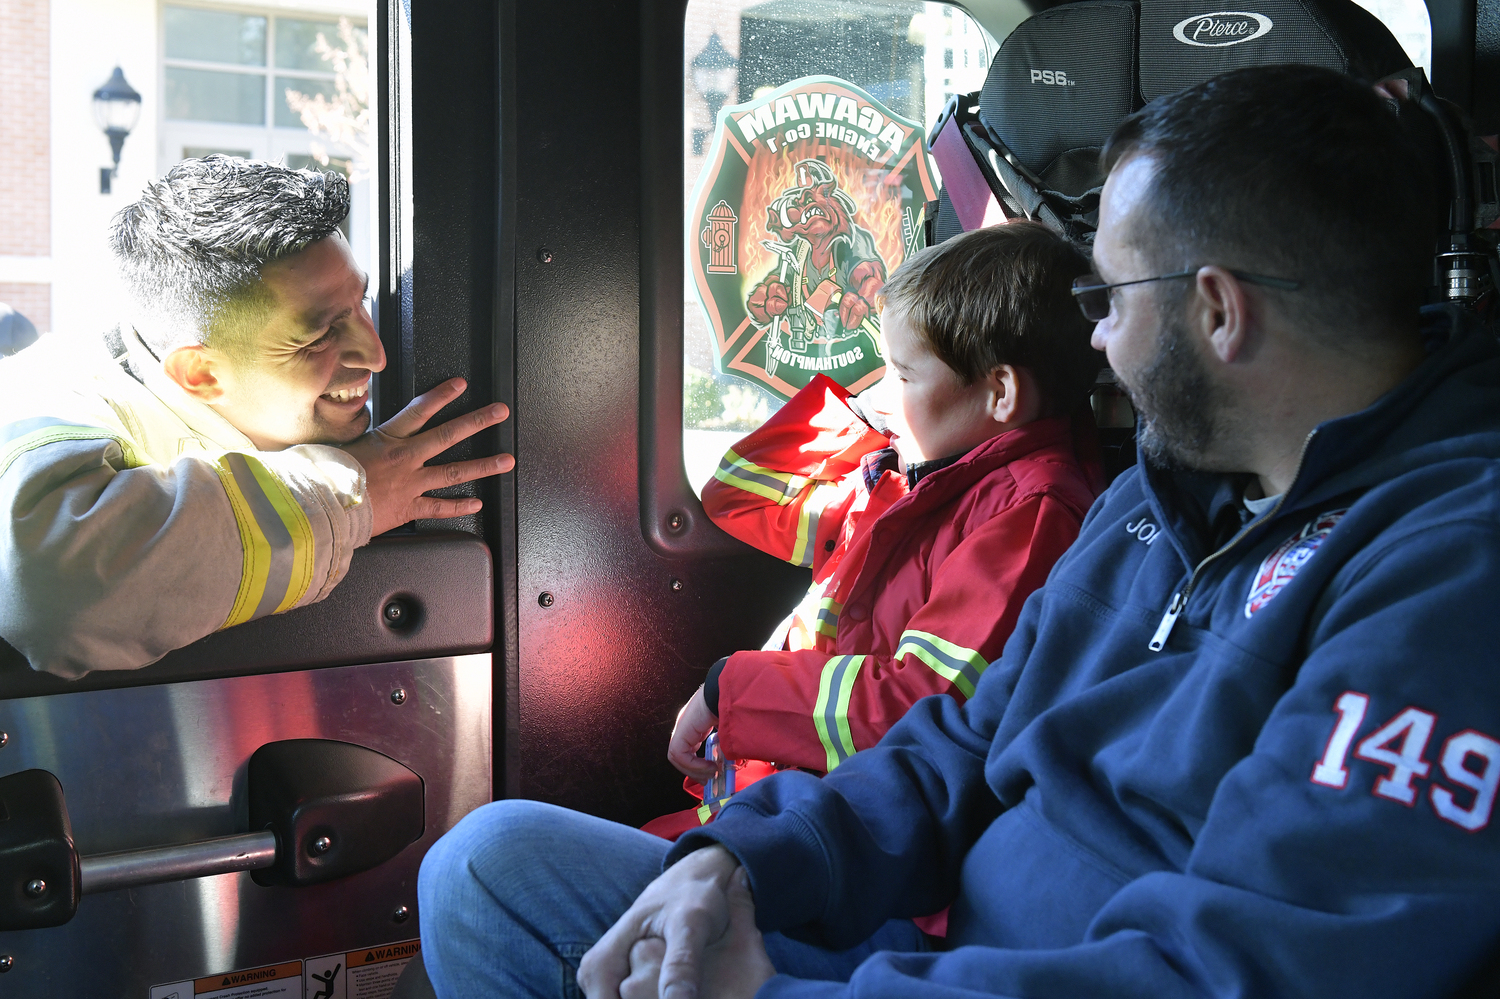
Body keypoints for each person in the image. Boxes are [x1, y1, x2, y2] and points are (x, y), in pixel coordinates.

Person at [418, 65, 1500, 998]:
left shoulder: (1450, 572)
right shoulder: (1155, 500)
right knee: (491, 868)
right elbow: (964, 738)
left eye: (1109, 296)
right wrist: (746, 863)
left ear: (1218, 312)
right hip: (944, 954)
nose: (1100, 341)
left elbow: (1240, 972)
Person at [649, 223, 1103, 841]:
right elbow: (737, 491)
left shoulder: (1031, 517)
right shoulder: (897, 486)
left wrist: (728, 688)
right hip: (777, 794)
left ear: (1000, 393)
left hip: (844, 826)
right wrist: (881, 413)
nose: (881, 395)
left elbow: (919, 707)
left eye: (903, 375)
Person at [0, 156, 513, 678]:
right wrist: (349, 496)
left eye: (361, 302)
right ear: (199, 373)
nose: (376, 355)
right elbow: (52, 595)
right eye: (318, 336)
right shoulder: (47, 397)